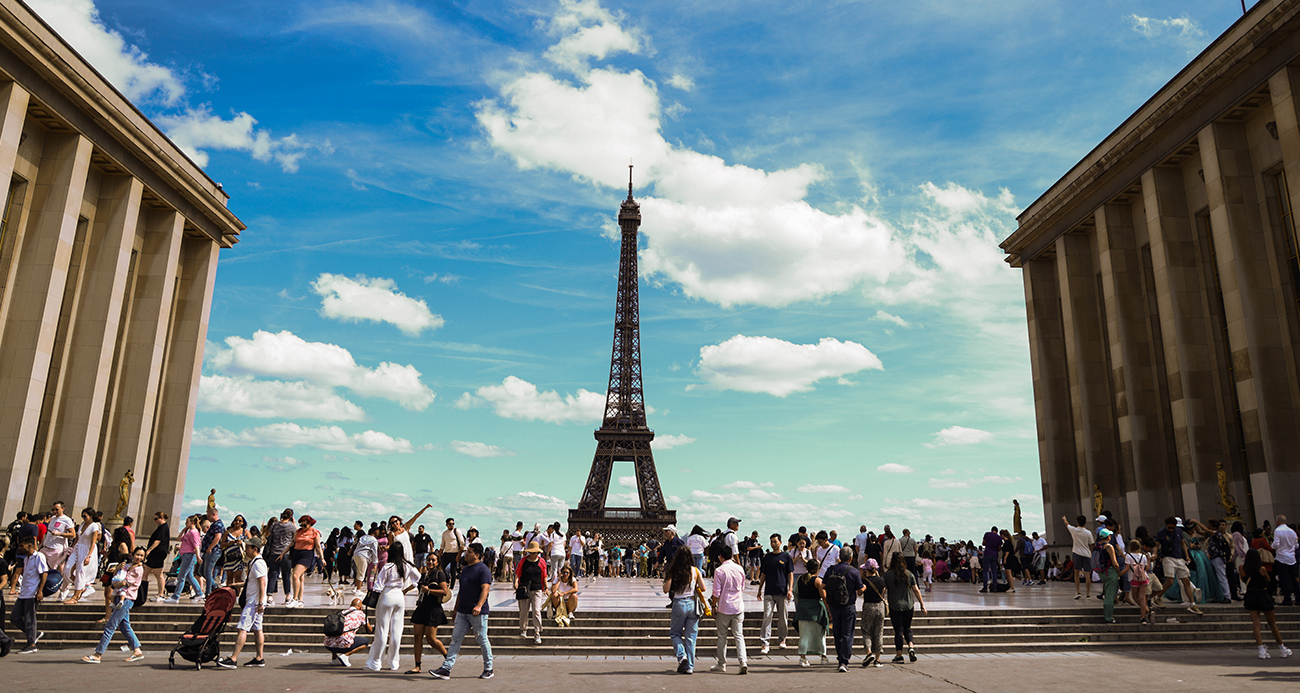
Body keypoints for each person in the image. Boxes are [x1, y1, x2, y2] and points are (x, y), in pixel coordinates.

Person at [428, 543, 494, 680]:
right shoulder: (465, 569)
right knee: (455, 639)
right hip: (462, 612)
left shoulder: (483, 570)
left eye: (469, 552)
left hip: (477, 612)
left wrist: (479, 606)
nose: (466, 554)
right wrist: (455, 609)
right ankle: (446, 668)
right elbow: (461, 591)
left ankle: (489, 668)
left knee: (482, 639)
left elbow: (485, 589)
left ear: (477, 555)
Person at [81, 545, 147, 663]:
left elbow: (124, 582)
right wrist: (118, 568)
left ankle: (98, 654)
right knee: (124, 626)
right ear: (132, 555)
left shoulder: (138, 570)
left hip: (127, 599)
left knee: (110, 625)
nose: (139, 557)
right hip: (119, 597)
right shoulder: (127, 566)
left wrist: (113, 585)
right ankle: (137, 650)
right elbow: (114, 573)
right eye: (137, 554)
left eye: (141, 555)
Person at [366, 541, 417, 671]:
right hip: (400, 597)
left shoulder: (388, 567)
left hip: (387, 595)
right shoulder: (408, 566)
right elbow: (419, 579)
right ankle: (394, 662)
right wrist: (408, 588)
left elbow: (378, 586)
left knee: (382, 631)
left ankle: (376, 662)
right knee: (397, 631)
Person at [1242, 548, 1293, 659]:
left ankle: (1261, 649)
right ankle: (1281, 648)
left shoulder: (1243, 569)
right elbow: (1268, 580)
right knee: (1272, 623)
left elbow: (1243, 580)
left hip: (1251, 596)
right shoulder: (1262, 569)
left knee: (1256, 623)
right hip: (1263, 595)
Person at [663, 544, 705, 675]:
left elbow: (666, 590)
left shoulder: (673, 570)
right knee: (691, 637)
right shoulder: (695, 570)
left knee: (675, 634)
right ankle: (690, 667)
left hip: (679, 604)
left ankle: (682, 656)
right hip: (693, 604)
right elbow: (703, 588)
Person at [823, 546, 864, 672]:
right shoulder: (854, 571)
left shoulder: (831, 570)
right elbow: (859, 591)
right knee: (847, 634)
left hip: (834, 606)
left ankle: (840, 657)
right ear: (851, 558)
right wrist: (864, 588)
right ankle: (844, 661)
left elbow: (823, 586)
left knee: (838, 633)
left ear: (839, 557)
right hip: (848, 606)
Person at [710, 544, 748, 674]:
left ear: (720, 557)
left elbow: (716, 592)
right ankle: (743, 661)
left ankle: (721, 663)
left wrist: (713, 606)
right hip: (738, 607)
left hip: (724, 607)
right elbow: (742, 587)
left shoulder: (719, 571)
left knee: (722, 637)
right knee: (739, 636)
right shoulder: (740, 569)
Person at [883, 552, 926, 663]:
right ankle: (911, 646)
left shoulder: (887, 575)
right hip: (908, 606)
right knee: (907, 627)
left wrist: (882, 601)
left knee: (898, 631)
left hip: (895, 606)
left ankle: (899, 655)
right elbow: (916, 590)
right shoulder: (909, 574)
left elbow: (883, 590)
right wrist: (922, 604)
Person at [1156, 517, 1203, 614]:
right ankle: (1157, 597)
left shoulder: (1179, 532)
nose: (1171, 530)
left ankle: (1192, 603)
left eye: (1173, 528)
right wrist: (1155, 553)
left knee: (1186, 580)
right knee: (1170, 581)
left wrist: (1186, 556)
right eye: (1169, 528)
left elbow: (1183, 544)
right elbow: (1156, 544)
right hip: (1168, 557)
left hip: (1179, 558)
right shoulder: (1161, 532)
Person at [10, 536, 47, 654]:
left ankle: (31, 644)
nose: (20, 548)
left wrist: (40, 591)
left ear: (29, 546)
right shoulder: (26, 559)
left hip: (32, 593)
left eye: (22, 546)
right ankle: (34, 634)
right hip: (23, 593)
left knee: (30, 619)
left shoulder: (39, 556)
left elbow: (44, 573)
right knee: (14, 618)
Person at [757, 533, 792, 654]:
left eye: (775, 541)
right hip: (769, 592)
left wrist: (790, 589)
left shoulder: (786, 557)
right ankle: (765, 643)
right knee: (767, 616)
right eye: (771, 541)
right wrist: (759, 589)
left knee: (783, 617)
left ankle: (782, 639)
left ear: (780, 542)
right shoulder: (767, 557)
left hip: (782, 591)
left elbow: (790, 574)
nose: (773, 544)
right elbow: (763, 574)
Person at [64, 507, 102, 604]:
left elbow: (93, 542)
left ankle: (75, 596)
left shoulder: (94, 526)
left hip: (86, 549)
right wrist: (72, 548)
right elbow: (78, 538)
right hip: (77, 548)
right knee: (67, 570)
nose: (83, 518)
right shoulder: (82, 524)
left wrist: (88, 556)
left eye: (85, 516)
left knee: (81, 572)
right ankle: (83, 587)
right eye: (82, 516)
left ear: (91, 516)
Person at [795, 557, 828, 667]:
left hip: (803, 610)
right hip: (816, 611)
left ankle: (803, 658)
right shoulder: (818, 580)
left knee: (804, 635)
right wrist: (828, 609)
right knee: (820, 635)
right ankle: (823, 656)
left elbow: (796, 593)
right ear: (817, 568)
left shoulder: (800, 578)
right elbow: (823, 596)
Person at [164, 515, 204, 603]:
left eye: (187, 522)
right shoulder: (189, 532)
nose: (185, 523)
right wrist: (183, 529)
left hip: (189, 555)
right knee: (189, 576)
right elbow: (179, 539)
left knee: (181, 576)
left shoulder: (194, 532)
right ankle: (199, 593)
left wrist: (198, 556)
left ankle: (176, 596)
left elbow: (196, 545)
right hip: (185, 555)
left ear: (192, 522)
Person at [514, 541, 548, 644]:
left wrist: (546, 587)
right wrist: (516, 582)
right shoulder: (523, 561)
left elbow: (544, 575)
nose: (533, 554)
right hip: (525, 589)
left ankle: (537, 632)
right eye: (531, 552)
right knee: (524, 611)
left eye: (535, 552)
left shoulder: (542, 562)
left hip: (537, 588)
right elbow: (518, 572)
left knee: (536, 610)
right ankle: (523, 629)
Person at [289, 515, 324, 608]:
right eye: (301, 525)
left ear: (310, 524)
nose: (303, 527)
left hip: (307, 554)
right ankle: (300, 600)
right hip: (296, 553)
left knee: (295, 575)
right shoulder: (298, 531)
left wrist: (322, 558)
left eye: (305, 525)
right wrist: (283, 552)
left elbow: (318, 546)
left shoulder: (315, 532)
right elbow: (293, 542)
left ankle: (295, 598)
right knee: (300, 578)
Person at [324, 598, 372, 667]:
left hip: (328, 645)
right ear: (360, 607)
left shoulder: (341, 612)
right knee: (365, 641)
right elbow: (369, 630)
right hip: (344, 645)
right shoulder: (361, 614)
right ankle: (345, 655)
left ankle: (334, 658)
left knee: (335, 632)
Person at [859, 558, 887, 668]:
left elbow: (859, 593)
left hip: (868, 606)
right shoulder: (882, 581)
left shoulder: (865, 581)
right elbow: (883, 594)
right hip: (880, 607)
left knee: (866, 631)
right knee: (879, 632)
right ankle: (878, 659)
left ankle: (869, 652)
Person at [265, 509, 295, 605]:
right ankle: (287, 596)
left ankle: (269, 596)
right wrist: (293, 523)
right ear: (291, 516)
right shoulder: (291, 526)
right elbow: (296, 536)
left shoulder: (275, 525)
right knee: (286, 575)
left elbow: (271, 536)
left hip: (274, 552)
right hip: (285, 553)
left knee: (273, 574)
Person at [1096, 528, 1122, 623]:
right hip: (1110, 571)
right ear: (1108, 537)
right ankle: (1109, 617)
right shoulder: (1109, 547)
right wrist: (1118, 571)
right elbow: (1115, 562)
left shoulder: (1097, 546)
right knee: (1110, 596)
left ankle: (1107, 614)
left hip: (1102, 572)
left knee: (1107, 593)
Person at [143, 511, 170, 602]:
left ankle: (161, 594)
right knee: (144, 573)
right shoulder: (161, 527)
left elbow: (158, 540)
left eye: (156, 519)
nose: (155, 521)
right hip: (154, 555)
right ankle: (142, 592)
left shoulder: (163, 528)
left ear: (161, 518)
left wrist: (149, 550)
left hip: (157, 554)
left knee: (158, 575)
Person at [1272, 515, 1298, 607]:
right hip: (1292, 558)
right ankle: (1298, 597)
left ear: (1278, 521)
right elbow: (1296, 545)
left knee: (1284, 579)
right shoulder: (1292, 531)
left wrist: (1272, 545)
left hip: (1281, 558)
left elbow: (1276, 544)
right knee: (1294, 579)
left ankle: (1287, 598)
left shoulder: (1278, 530)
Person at [1124, 540, 1152, 625]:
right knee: (1142, 597)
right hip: (1144, 578)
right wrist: (1149, 560)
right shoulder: (1143, 556)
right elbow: (1146, 569)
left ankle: (1148, 611)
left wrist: (1119, 573)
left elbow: (1127, 568)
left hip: (1134, 578)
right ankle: (1143, 618)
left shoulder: (1128, 556)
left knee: (1135, 597)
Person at [220, 514, 249, 591]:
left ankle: (236, 595)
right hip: (229, 557)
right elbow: (221, 545)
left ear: (243, 523)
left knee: (238, 577)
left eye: (240, 521)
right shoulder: (227, 532)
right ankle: (229, 594)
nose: (237, 522)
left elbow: (251, 543)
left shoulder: (245, 532)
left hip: (239, 557)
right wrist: (229, 543)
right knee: (229, 577)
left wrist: (242, 542)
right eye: (236, 520)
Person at [200, 507, 225, 596]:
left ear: (214, 514)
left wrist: (210, 548)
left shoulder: (218, 524)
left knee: (207, 571)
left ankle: (208, 592)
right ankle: (214, 586)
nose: (208, 518)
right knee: (201, 571)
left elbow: (217, 537)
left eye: (209, 515)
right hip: (209, 551)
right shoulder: (214, 524)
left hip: (213, 551)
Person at [439, 518, 466, 589]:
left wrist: (459, 554)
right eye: (450, 524)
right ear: (446, 525)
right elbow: (442, 545)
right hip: (447, 553)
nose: (452, 525)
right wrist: (439, 555)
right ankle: (447, 581)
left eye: (453, 524)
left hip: (455, 553)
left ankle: (452, 587)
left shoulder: (457, 531)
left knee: (453, 571)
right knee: (441, 568)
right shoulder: (445, 533)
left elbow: (461, 543)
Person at [352, 525, 378, 594]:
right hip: (363, 556)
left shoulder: (363, 537)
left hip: (356, 554)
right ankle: (358, 590)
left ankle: (355, 587)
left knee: (359, 572)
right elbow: (374, 551)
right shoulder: (374, 540)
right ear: (375, 531)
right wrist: (375, 563)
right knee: (362, 573)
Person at [980, 526, 1001, 593]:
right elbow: (999, 548)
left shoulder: (987, 534)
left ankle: (985, 587)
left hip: (987, 554)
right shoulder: (999, 537)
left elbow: (983, 543)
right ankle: (994, 587)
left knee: (985, 571)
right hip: (995, 555)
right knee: (994, 571)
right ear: (997, 531)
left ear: (991, 530)